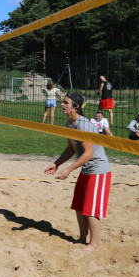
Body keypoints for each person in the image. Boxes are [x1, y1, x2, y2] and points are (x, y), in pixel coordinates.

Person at [44, 94, 112, 251]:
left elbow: (88, 153)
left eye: (66, 103)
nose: (62, 105)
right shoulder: (69, 123)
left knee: (91, 209)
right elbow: (70, 149)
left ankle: (94, 244)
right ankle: (82, 238)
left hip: (98, 170)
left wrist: (69, 169)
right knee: (79, 205)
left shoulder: (83, 125)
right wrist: (56, 164)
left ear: (76, 107)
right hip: (87, 169)